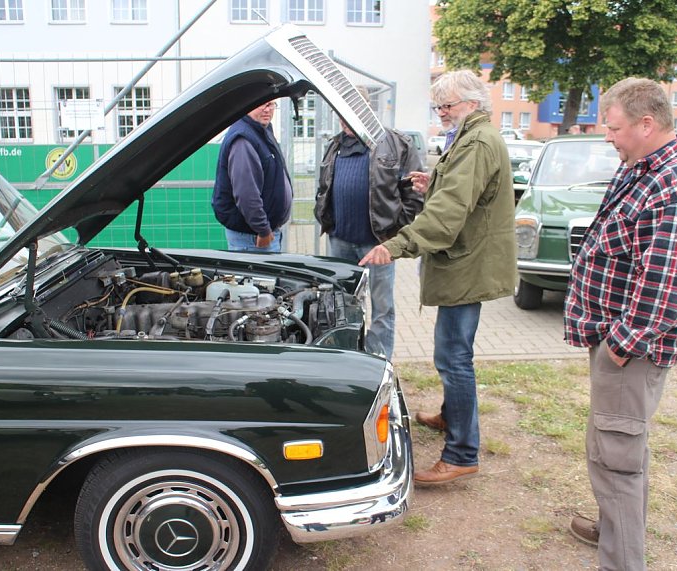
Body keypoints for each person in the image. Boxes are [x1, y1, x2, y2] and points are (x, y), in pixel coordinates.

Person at [563, 77, 677, 571]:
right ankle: (614, 527)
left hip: (633, 348)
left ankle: (622, 558)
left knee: (616, 462)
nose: (609, 136)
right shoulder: (643, 165)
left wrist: (620, 345)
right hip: (619, 341)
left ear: (647, 124)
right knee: (616, 452)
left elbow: (668, 286)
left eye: (615, 127)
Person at [360, 70, 517, 486]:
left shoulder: (478, 141)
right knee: (452, 351)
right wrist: (436, 182)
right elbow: (464, 194)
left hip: (468, 263)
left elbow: (448, 215)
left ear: (471, 104)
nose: (442, 113)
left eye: (447, 106)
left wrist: (394, 245)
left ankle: (462, 453)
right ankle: (452, 418)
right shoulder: (472, 138)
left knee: (454, 357)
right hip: (465, 261)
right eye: (439, 107)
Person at [314, 120, 424, 359]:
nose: (343, 122)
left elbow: (414, 191)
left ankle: (380, 360)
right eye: (339, 117)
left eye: (348, 115)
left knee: (382, 307)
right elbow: (324, 186)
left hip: (378, 244)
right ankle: (343, 357)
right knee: (339, 302)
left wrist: (395, 228)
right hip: (339, 241)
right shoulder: (335, 144)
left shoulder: (394, 143)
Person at [212, 100, 292, 252]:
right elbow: (246, 194)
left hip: (259, 235)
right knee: (259, 276)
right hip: (253, 240)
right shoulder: (244, 139)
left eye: (271, 105)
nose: (268, 110)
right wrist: (263, 229)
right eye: (262, 105)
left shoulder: (261, 130)